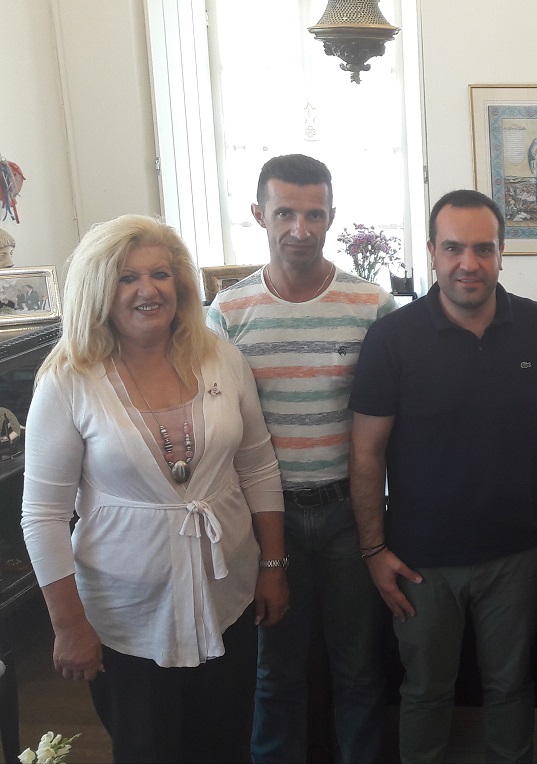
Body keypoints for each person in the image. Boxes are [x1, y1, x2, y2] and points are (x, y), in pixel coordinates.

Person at [21, 214, 288, 763]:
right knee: (148, 749)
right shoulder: (68, 380)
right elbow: (43, 516)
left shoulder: (221, 357)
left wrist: (273, 566)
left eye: (161, 274)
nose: (149, 290)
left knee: (226, 745)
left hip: (227, 597)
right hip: (127, 616)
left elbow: (259, 466)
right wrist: (68, 625)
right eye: (127, 278)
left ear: (180, 284)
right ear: (98, 290)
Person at [349, 189, 537, 763]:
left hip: (517, 552)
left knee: (511, 686)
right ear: (431, 251)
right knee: (425, 691)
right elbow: (367, 455)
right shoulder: (391, 338)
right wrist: (373, 550)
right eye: (453, 248)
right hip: (421, 560)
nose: (468, 264)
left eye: (482, 249)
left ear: (502, 252)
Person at [207, 153, 394, 764]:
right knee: (275, 671)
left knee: (360, 667)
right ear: (258, 214)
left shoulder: (372, 305)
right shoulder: (227, 314)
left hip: (349, 514)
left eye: (315, 214)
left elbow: (395, 414)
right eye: (285, 212)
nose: (300, 229)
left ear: (332, 217)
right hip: (268, 519)